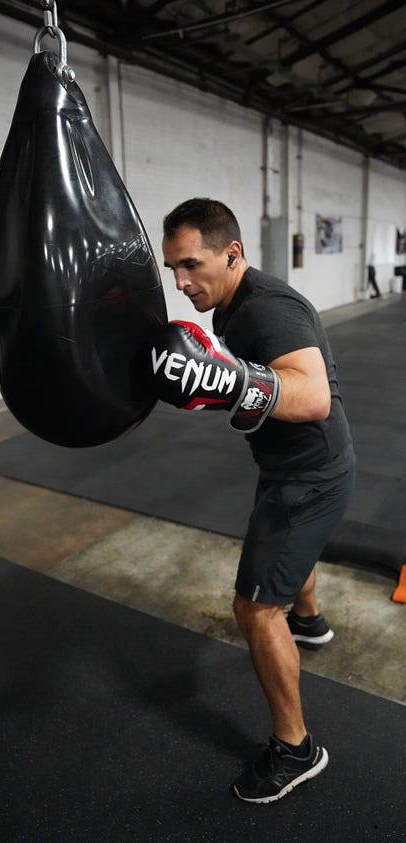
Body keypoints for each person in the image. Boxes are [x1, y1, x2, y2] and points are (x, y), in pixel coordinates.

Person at [149, 198, 356, 804]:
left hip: (309, 476)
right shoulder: (234, 302)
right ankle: (311, 622)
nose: (182, 282)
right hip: (304, 465)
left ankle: (297, 750)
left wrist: (228, 379)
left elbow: (313, 395)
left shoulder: (264, 309)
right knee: (291, 558)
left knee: (254, 609)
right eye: (173, 270)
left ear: (232, 254)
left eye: (191, 265)